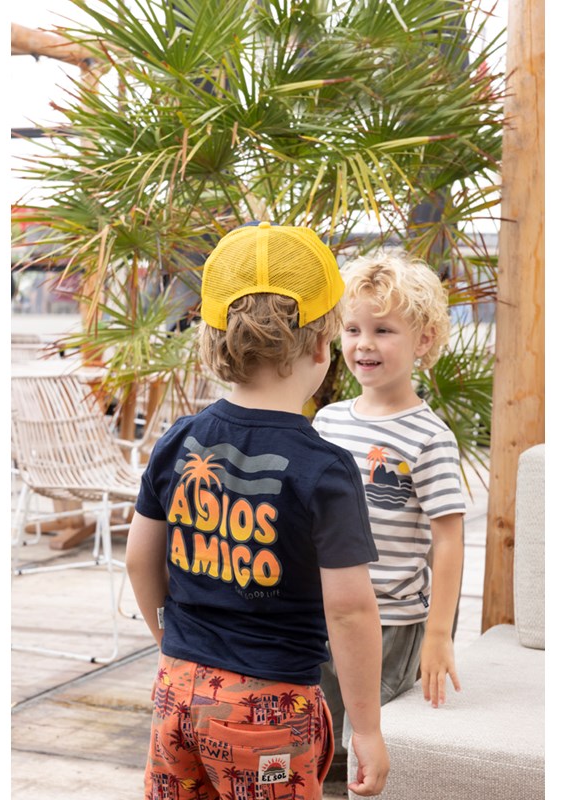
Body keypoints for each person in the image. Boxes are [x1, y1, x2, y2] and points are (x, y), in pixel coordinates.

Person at [125, 221, 390, 800]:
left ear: (213, 339)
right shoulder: (324, 469)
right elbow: (349, 610)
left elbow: (139, 559)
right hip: (268, 710)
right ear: (321, 346)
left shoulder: (178, 440)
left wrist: (172, 641)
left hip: (176, 690)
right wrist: (366, 729)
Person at [312, 250, 467, 776]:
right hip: (324, 611)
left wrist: (439, 635)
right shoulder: (327, 422)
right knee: (317, 735)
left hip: (391, 622)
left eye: (383, 330)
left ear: (423, 340)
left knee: (367, 738)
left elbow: (448, 539)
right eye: (353, 329)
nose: (364, 343)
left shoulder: (429, 437)